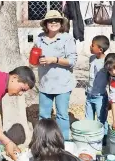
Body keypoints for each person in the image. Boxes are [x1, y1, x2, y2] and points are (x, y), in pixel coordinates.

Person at [35, 10, 78, 140]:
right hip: (45, 83)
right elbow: (34, 57)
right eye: (50, 21)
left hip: (62, 84)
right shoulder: (39, 38)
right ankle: (43, 141)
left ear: (61, 23)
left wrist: (55, 60)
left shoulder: (67, 38)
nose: (54, 23)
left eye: (57, 20)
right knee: (43, 115)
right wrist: (36, 60)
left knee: (62, 115)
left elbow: (72, 61)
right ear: (46, 24)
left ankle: (63, 142)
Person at [85, 35, 110, 144]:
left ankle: (103, 141)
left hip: (100, 96)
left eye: (93, 45)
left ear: (100, 49)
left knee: (101, 120)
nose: (90, 46)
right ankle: (90, 139)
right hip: (89, 95)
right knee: (88, 119)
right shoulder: (91, 58)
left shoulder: (107, 62)